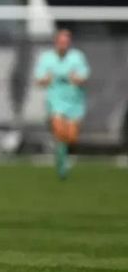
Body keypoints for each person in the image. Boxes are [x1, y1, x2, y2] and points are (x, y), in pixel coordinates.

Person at [34, 28, 89, 179]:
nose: (63, 45)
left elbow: (84, 76)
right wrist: (46, 79)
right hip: (56, 100)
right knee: (59, 131)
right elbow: (39, 79)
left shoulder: (77, 57)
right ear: (56, 42)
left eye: (66, 42)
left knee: (71, 137)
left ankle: (62, 155)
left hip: (74, 101)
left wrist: (76, 79)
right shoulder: (47, 58)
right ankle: (61, 164)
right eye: (60, 42)